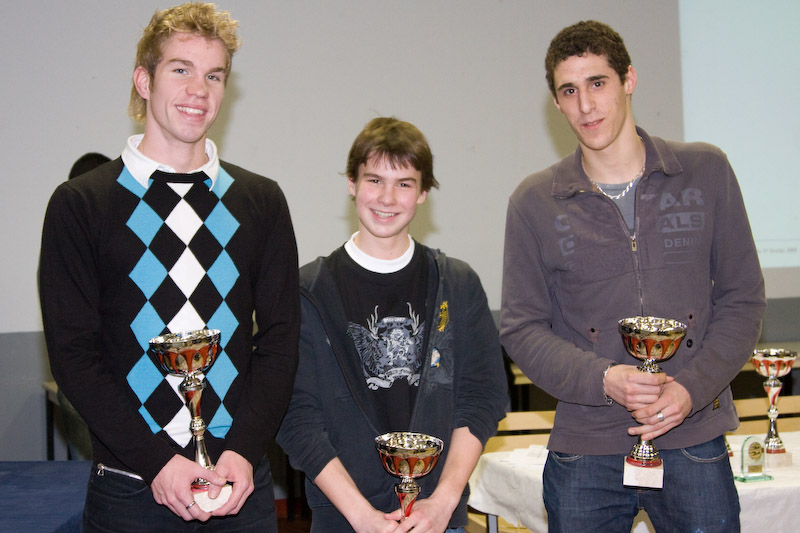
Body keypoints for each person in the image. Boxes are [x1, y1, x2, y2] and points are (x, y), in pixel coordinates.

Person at [39, 3, 299, 531]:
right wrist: (157, 461)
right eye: (181, 69)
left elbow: (280, 342)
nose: (198, 90)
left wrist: (244, 449)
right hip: (130, 488)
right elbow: (73, 355)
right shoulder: (82, 204)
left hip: (237, 484)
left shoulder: (260, 201)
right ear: (144, 81)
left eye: (214, 75)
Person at [500, 20, 765, 533]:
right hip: (585, 449)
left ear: (629, 80)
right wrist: (604, 379)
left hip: (693, 434)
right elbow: (522, 328)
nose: (585, 105)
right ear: (556, 103)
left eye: (597, 83)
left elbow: (743, 299)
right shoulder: (534, 202)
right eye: (569, 91)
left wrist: (690, 389)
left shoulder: (705, 171)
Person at [277, 117, 508, 532]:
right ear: (352, 183)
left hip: (439, 519)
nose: (387, 197)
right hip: (346, 520)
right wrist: (361, 516)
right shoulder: (308, 290)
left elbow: (482, 398)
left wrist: (442, 503)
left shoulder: (457, 284)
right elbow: (297, 417)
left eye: (404, 183)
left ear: (423, 193)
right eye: (374, 180)